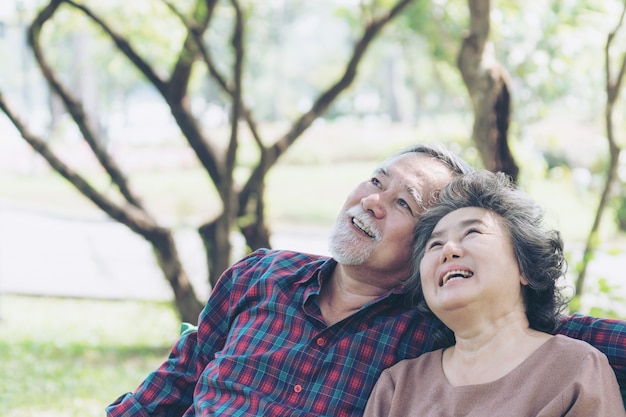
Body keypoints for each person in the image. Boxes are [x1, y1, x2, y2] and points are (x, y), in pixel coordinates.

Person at [106, 144, 626, 417]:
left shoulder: (430, 328)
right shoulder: (259, 276)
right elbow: (171, 387)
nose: (373, 200)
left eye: (403, 203)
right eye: (377, 180)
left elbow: (528, 326)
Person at [364, 170, 626, 416]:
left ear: (524, 266)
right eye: (436, 244)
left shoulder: (576, 368)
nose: (448, 250)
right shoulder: (398, 385)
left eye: (472, 232)